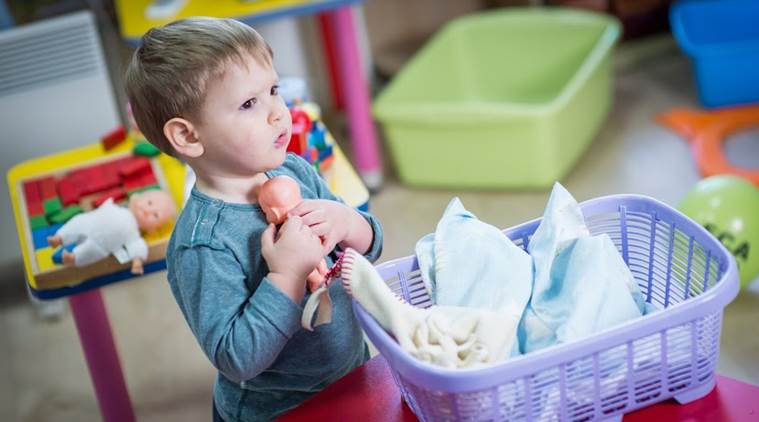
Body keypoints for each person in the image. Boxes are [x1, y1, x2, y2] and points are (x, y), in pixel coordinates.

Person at [124, 17, 383, 421]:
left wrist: (349, 223)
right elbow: (237, 357)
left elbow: (370, 249)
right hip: (279, 409)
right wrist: (286, 275)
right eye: (249, 104)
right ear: (189, 137)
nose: (278, 114)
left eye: (274, 91)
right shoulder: (204, 244)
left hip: (351, 371)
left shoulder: (295, 170)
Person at [47, 189, 176, 274]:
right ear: (137, 198)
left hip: (101, 245)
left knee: (91, 252)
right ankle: (59, 238)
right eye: (149, 202)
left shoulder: (133, 234)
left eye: (155, 215)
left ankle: (73, 258)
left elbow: (137, 247)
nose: (148, 211)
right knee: (77, 222)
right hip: (90, 222)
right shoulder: (118, 208)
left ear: (152, 229)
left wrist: (137, 261)